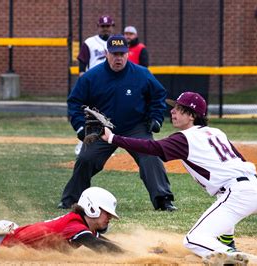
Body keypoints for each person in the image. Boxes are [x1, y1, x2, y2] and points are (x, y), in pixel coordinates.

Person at [101, 91, 257, 264]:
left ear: (192, 115)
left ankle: (235, 256)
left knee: (192, 240)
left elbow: (152, 147)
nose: (173, 111)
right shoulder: (216, 132)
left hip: (239, 193)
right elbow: (239, 159)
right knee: (222, 204)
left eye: (180, 109)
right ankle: (227, 244)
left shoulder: (186, 138)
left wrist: (112, 138)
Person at [58, 34, 176, 212]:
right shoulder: (91, 77)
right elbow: (75, 102)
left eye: (122, 53)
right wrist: (81, 127)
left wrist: (156, 117)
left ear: (128, 54)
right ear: (106, 53)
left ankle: (163, 200)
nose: (118, 58)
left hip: (135, 127)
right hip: (101, 128)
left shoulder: (142, 74)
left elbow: (158, 96)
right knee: (85, 158)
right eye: (114, 54)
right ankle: (70, 200)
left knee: (151, 157)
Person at [74, 15, 115, 156]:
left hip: (111, 83)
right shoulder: (90, 42)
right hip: (93, 83)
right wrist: (81, 76)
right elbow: (82, 61)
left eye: (108, 26)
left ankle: (106, 144)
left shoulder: (115, 42)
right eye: (103, 26)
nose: (105, 29)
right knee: (89, 115)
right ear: (98, 27)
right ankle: (82, 143)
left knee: (107, 116)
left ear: (112, 27)